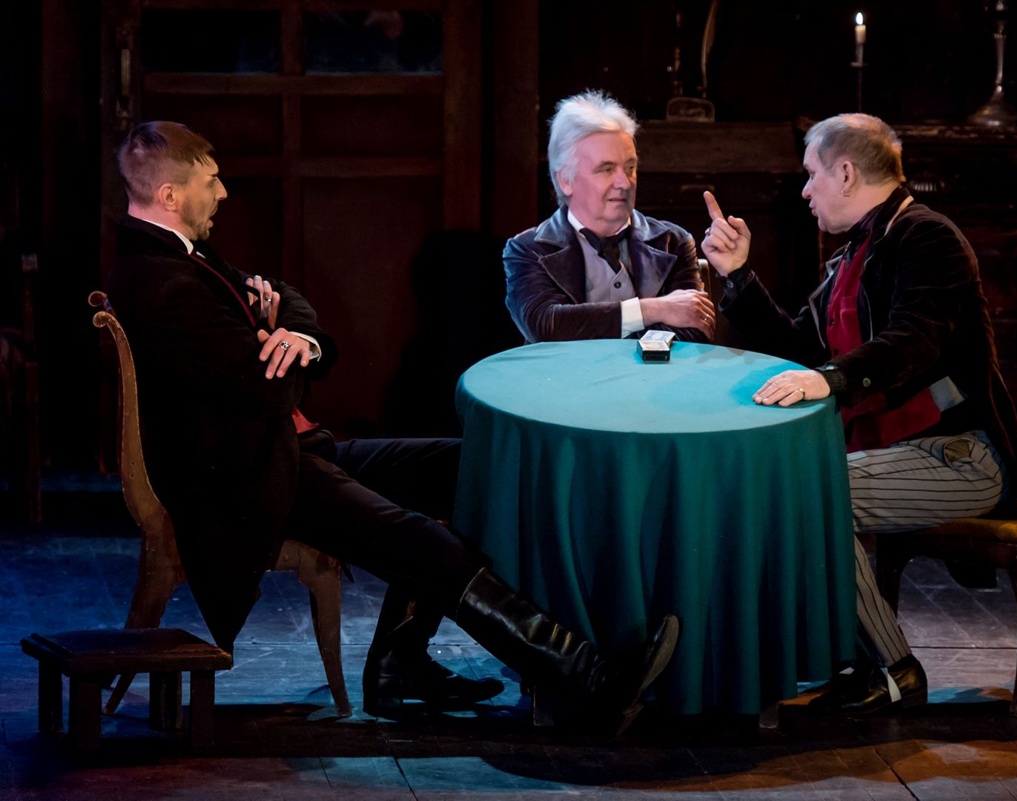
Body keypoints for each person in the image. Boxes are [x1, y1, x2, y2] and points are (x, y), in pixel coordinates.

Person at [104, 120, 678, 734]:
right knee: (419, 540)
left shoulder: (184, 259)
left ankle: (399, 666)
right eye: (211, 182)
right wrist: (278, 340)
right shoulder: (162, 282)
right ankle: (590, 680)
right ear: (170, 195)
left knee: (465, 466)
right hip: (249, 479)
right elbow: (269, 390)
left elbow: (288, 301)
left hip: (288, 452)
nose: (223, 193)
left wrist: (292, 336)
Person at [700, 113, 1017, 714]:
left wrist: (830, 380)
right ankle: (830, 657)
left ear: (846, 173)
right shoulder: (854, 256)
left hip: (962, 454)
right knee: (786, 488)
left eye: (812, 175)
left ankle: (894, 670)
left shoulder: (926, 238)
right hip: (902, 454)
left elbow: (914, 341)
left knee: (811, 492)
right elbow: (802, 350)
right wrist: (738, 276)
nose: (805, 191)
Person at [503, 90, 716, 343]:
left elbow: (694, 330)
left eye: (630, 167)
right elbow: (546, 326)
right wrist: (652, 310)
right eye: (606, 169)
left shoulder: (673, 241)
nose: (624, 183)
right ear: (565, 180)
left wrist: (592, 331)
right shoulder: (528, 250)